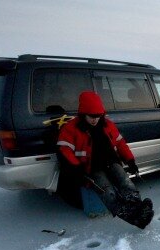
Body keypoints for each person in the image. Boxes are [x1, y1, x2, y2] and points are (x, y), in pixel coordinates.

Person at [57, 91, 154, 229]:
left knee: (126, 182)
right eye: (91, 116)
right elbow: (64, 149)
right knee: (107, 192)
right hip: (93, 167)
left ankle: (139, 209)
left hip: (111, 162)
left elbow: (120, 143)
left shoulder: (107, 124)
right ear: (83, 113)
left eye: (98, 116)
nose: (95, 120)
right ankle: (133, 217)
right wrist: (76, 167)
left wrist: (130, 161)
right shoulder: (72, 128)